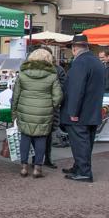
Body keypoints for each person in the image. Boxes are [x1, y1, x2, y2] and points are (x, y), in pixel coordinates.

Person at [12, 48, 63, 179]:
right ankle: (37, 168)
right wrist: (51, 106)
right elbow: (58, 97)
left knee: (25, 137)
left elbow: (16, 95)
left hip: (25, 110)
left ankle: (23, 167)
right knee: (41, 138)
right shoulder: (52, 75)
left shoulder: (23, 74)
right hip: (44, 111)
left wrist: (14, 112)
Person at [62, 35, 106, 182]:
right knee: (87, 142)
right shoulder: (96, 62)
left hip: (80, 112)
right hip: (92, 110)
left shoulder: (80, 62)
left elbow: (76, 89)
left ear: (74, 48)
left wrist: (73, 111)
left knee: (80, 142)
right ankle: (79, 166)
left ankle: (84, 172)